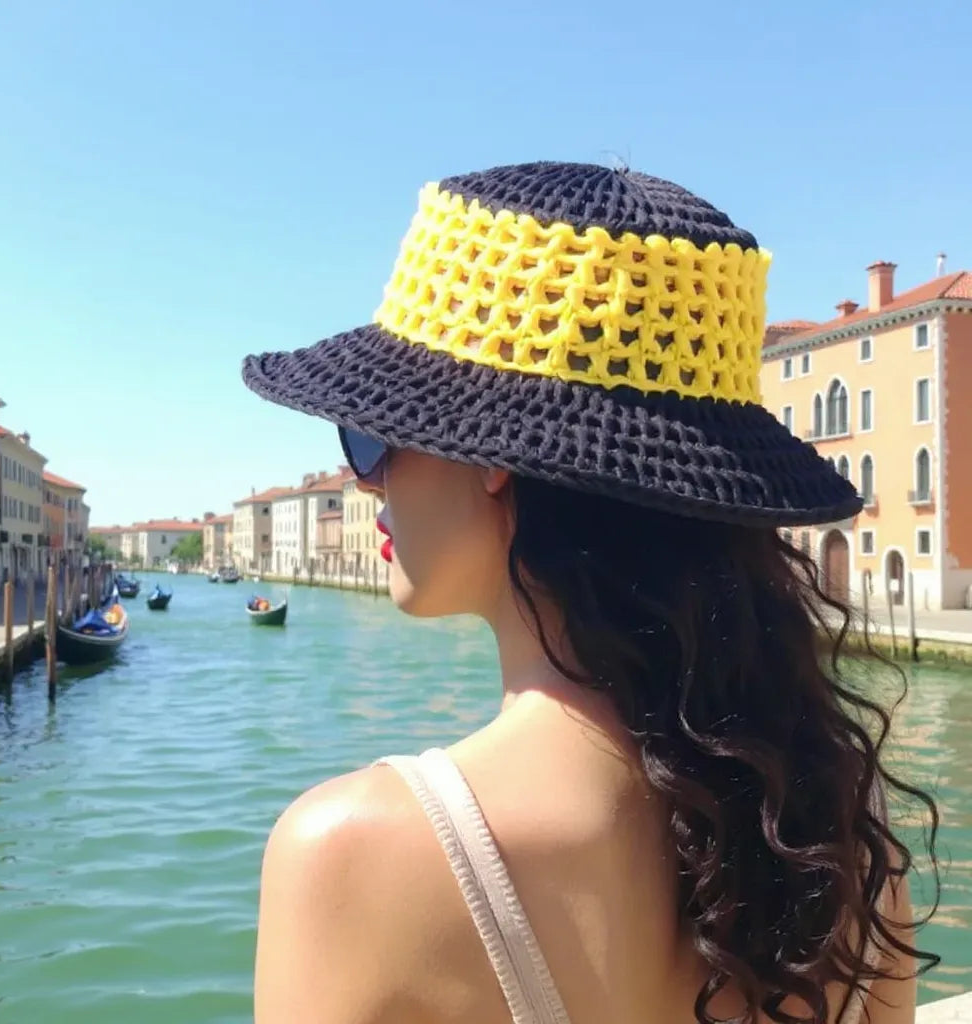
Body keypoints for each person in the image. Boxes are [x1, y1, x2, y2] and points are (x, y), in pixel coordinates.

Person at [242, 162, 938, 1024]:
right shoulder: (846, 835)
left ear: (490, 457)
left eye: (373, 438)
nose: (369, 485)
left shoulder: (353, 854)